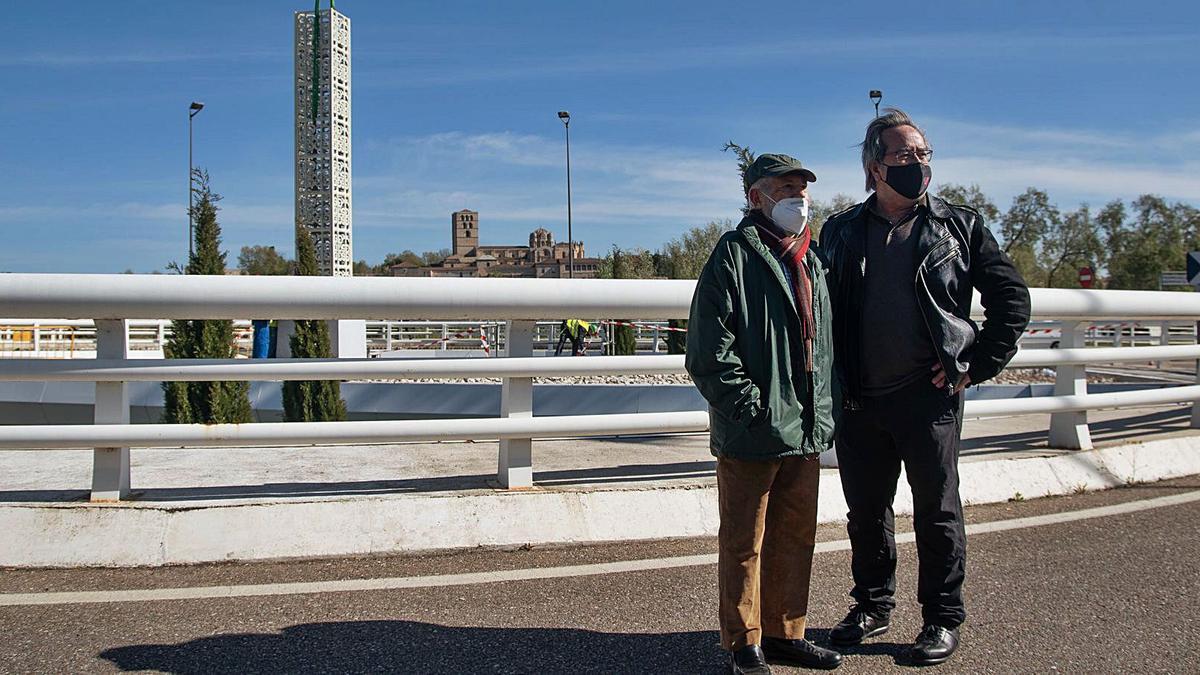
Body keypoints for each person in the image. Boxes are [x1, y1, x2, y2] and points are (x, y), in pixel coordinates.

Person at [819, 109, 1030, 666]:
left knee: (936, 511)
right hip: (860, 398)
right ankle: (871, 605)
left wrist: (975, 364)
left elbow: (1012, 301)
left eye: (923, 154)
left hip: (928, 397)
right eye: (903, 155)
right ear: (873, 168)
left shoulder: (959, 227)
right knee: (866, 512)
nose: (917, 164)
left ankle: (941, 617)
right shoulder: (839, 232)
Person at [686, 153, 843, 674]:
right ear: (757, 197)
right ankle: (743, 641)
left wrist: (824, 407)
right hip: (754, 428)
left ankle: (785, 633)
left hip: (805, 428)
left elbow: (823, 345)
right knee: (743, 541)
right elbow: (708, 349)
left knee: (796, 537)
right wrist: (750, 407)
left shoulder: (811, 259)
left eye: (803, 189)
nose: (799, 199)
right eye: (787, 189)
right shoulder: (733, 255)